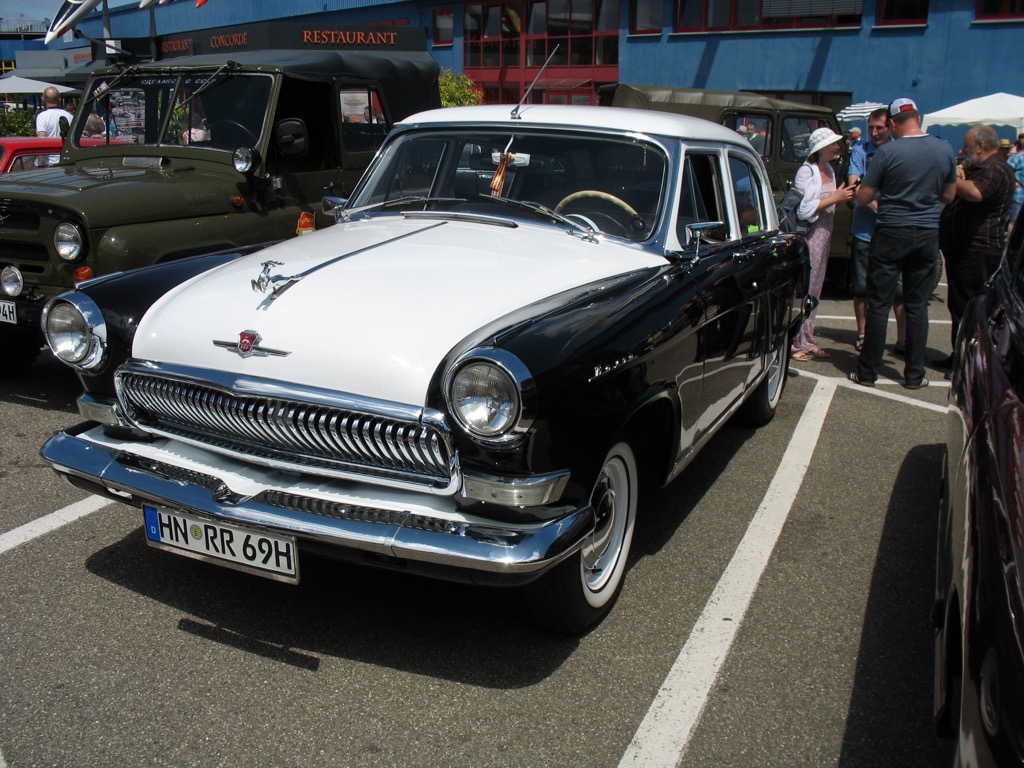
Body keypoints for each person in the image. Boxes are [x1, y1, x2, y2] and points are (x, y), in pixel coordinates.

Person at [850, 97, 957, 389]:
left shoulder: (887, 153)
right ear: (918, 118)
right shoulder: (944, 149)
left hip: (891, 230)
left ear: (894, 123)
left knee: (879, 304)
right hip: (926, 233)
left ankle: (868, 372)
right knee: (917, 305)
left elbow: (864, 196)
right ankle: (914, 374)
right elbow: (949, 196)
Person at [936, 124, 1014, 366]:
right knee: (960, 305)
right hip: (964, 248)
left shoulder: (996, 169)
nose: (963, 149)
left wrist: (951, 179)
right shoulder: (981, 166)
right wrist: (961, 170)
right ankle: (959, 355)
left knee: (971, 308)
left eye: (967, 146)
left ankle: (968, 361)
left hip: (977, 249)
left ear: (981, 146)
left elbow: (977, 192)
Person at [789, 127, 856, 361]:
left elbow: (826, 203)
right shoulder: (807, 172)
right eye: (833, 144)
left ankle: (807, 338)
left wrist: (837, 196)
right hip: (812, 234)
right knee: (805, 287)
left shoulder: (828, 169)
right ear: (821, 149)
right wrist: (836, 197)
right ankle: (795, 341)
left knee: (816, 287)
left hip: (825, 234)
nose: (837, 147)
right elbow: (805, 209)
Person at [847, 107, 905, 355]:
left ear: (890, 126)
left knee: (899, 291)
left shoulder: (899, 150)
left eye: (879, 127)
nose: (874, 132)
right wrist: (881, 209)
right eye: (871, 127)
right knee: (861, 287)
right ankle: (862, 333)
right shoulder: (860, 151)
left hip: (893, 233)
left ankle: (902, 341)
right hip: (864, 232)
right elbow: (854, 186)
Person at [35, 86, 73, 165]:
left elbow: (41, 141)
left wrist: (40, 164)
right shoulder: (69, 116)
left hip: (49, 162)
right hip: (68, 159)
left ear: (43, 99)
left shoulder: (42, 116)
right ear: (59, 99)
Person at [1007, 135, 1024, 227]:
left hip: (1018, 195)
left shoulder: (1015, 158)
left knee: (1014, 223)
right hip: (1020, 195)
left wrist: (1013, 181)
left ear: (1017, 147)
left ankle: (1012, 241)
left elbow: (1006, 171)